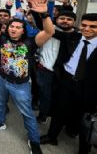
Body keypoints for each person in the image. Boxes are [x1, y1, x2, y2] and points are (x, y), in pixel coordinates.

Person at [0, 0, 55, 154]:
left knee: (28, 114)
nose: (13, 29)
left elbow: (49, 31)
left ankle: (34, 140)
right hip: (0, 79)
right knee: (0, 103)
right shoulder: (2, 38)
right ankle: (0, 122)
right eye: (12, 26)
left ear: (23, 30)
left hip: (21, 85)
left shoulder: (32, 42)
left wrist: (45, 14)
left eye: (18, 27)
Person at [40, 13, 97, 154]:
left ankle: (83, 150)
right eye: (84, 25)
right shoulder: (73, 36)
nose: (87, 29)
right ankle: (51, 137)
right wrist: (43, 14)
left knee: (85, 121)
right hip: (66, 81)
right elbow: (50, 31)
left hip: (89, 88)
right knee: (59, 110)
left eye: (93, 26)